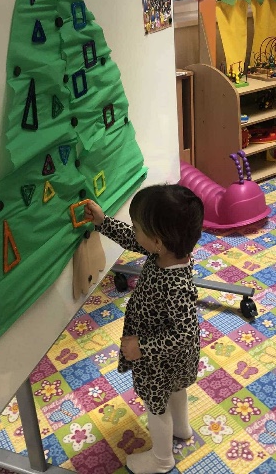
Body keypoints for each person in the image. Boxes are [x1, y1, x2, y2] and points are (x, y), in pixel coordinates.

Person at [84, 184, 204, 474]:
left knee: (156, 406)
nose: (134, 232)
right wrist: (103, 222)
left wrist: (142, 347)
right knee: (176, 390)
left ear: (157, 240)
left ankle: (162, 460)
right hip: (175, 360)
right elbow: (132, 239)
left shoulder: (175, 284)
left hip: (158, 360)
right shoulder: (166, 252)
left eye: (138, 227)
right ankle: (182, 428)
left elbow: (185, 333)